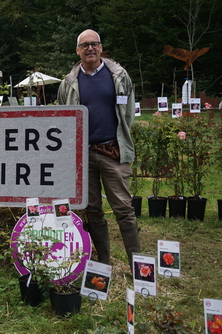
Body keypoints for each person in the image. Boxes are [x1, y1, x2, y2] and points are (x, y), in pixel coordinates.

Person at [57, 29, 140, 270]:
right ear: (78, 51)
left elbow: (127, 113)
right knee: (92, 209)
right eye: (85, 45)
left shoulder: (118, 76)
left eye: (94, 44)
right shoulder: (69, 82)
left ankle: (137, 266)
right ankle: (104, 263)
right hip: (83, 156)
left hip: (113, 152)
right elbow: (64, 117)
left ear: (101, 48)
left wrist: (119, 139)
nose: (90, 48)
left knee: (123, 208)